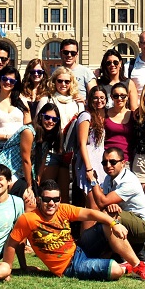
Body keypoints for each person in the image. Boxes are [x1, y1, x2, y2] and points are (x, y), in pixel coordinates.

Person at [2, 180, 145, 281]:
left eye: (55, 199)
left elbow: (91, 213)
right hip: (69, 267)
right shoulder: (27, 219)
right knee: (115, 271)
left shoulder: (63, 209)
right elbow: (12, 244)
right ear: (40, 199)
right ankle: (123, 267)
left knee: (107, 223)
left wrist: (114, 223)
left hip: (79, 249)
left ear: (60, 199)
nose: (51, 203)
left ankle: (138, 265)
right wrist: (7, 269)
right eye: (47, 199)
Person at [90, 147, 145, 261]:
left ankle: (131, 255)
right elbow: (104, 204)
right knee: (106, 215)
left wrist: (93, 181)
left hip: (143, 225)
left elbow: (102, 201)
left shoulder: (129, 180)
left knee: (109, 216)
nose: (108, 165)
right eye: (104, 162)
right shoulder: (108, 178)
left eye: (112, 162)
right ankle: (115, 253)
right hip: (125, 219)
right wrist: (110, 205)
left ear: (123, 163)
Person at [35, 66, 85, 198]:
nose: (63, 84)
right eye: (60, 81)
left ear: (71, 83)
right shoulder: (46, 100)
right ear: (54, 81)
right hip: (50, 151)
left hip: (69, 153)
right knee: (46, 189)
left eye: (67, 81)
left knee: (64, 195)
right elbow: (37, 125)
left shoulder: (77, 102)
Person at [0, 66, 31, 194]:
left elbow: (28, 128)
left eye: (12, 81)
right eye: (5, 78)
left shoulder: (22, 102)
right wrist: (6, 137)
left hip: (19, 152)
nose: (8, 82)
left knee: (19, 190)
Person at [76, 87, 109, 220]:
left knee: (99, 206)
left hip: (100, 164)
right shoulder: (86, 116)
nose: (99, 101)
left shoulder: (103, 116)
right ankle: (85, 240)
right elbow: (82, 144)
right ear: (90, 99)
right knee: (92, 208)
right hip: (88, 163)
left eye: (102, 98)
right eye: (95, 98)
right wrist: (89, 168)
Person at [103, 82, 136, 164]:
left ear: (127, 97)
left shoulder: (134, 115)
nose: (119, 98)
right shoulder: (104, 114)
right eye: (116, 96)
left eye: (123, 96)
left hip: (126, 160)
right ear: (111, 97)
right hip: (107, 161)